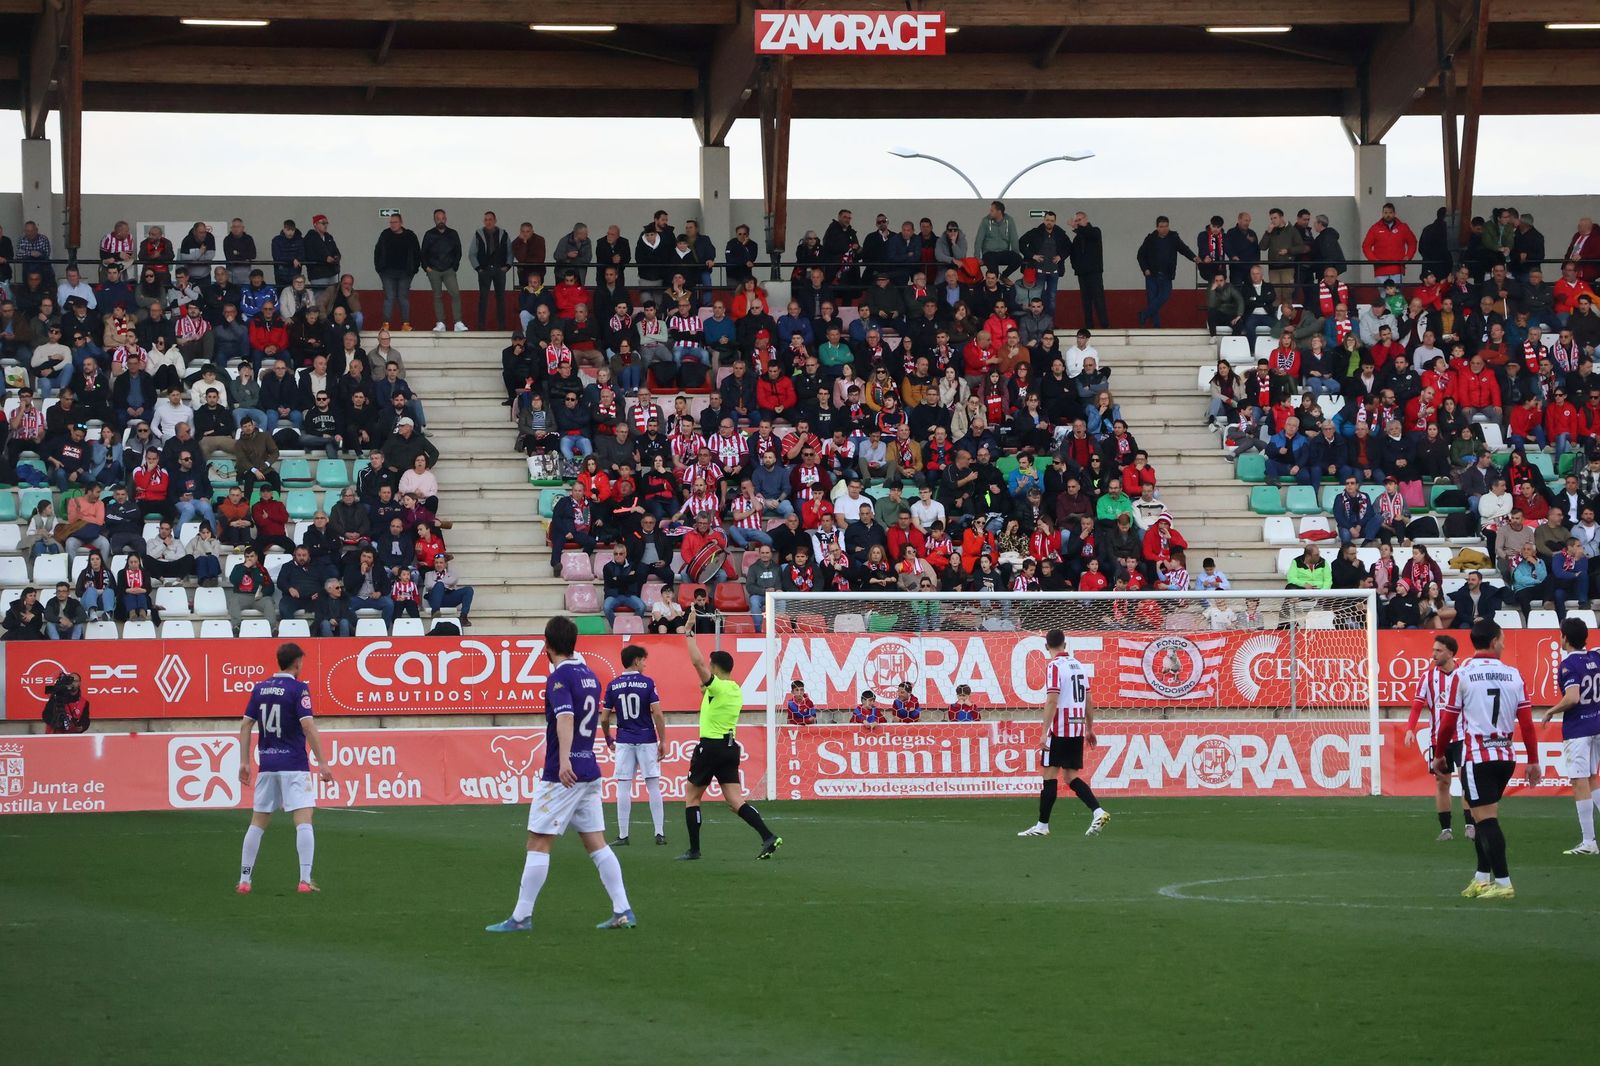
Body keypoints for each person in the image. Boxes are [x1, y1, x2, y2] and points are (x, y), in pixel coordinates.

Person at [485, 616, 635, 933]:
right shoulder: (590, 675)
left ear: (547, 645)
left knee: (538, 842)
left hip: (563, 774)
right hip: (590, 769)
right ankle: (623, 910)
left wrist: (564, 760)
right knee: (596, 843)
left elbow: (565, 717)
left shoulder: (558, 678)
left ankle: (521, 917)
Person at [1435, 618, 1542, 900]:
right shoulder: (1514, 674)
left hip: (1478, 756)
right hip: (1505, 756)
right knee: (1481, 815)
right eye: (1503, 639)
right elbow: (1527, 723)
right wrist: (1533, 760)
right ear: (1494, 641)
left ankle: (1504, 883)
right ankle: (1482, 877)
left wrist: (1438, 754)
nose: (1504, 644)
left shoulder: (1463, 674)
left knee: (1485, 820)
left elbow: (1447, 722)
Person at [678, 618, 781, 861]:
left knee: (692, 797)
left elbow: (696, 661)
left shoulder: (718, 687)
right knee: (736, 801)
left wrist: (689, 632)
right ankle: (768, 836)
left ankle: (694, 850)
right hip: (730, 747)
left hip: (711, 746)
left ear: (714, 668)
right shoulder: (735, 689)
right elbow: (708, 691)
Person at [235, 643, 334, 895]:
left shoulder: (259, 688)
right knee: (303, 819)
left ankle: (245, 880)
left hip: (267, 764)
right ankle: (304, 879)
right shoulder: (299, 688)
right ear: (298, 662)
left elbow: (245, 725)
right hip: (294, 765)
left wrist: (244, 761)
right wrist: (322, 762)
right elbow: (308, 727)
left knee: (257, 822)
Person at [1018, 628, 1109, 838]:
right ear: (1065, 645)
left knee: (1049, 775)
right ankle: (1098, 811)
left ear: (1046, 647)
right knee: (1070, 776)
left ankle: (1042, 826)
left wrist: (1043, 732)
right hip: (1076, 728)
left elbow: (1052, 699)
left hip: (1059, 728)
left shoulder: (1054, 666)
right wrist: (1089, 727)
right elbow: (1089, 699)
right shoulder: (1079, 666)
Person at [1402, 634, 1475, 843]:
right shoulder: (1427, 677)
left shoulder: (1465, 674)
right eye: (1433, 650)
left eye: (1438, 651)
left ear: (1450, 653)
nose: (1433, 654)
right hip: (1438, 739)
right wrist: (1409, 729)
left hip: (1463, 736)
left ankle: (1470, 825)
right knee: (1442, 782)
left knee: (1466, 781)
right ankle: (1446, 829)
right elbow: (1417, 705)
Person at [1542, 617, 1600, 855]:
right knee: (1592, 778)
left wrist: (1550, 711)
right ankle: (1589, 841)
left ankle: (1589, 842)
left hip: (1578, 730)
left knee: (1579, 782)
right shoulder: (1595, 657)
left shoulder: (1568, 666)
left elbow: (1573, 698)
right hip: (1597, 723)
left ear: (1564, 637)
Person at [601, 644, 668, 847]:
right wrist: (662, 740)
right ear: (636, 660)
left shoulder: (613, 685)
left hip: (623, 740)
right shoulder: (648, 683)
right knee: (653, 785)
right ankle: (659, 833)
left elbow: (604, 718)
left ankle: (623, 835)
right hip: (646, 738)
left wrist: (608, 739)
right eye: (643, 660)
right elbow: (657, 713)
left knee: (623, 785)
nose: (645, 664)